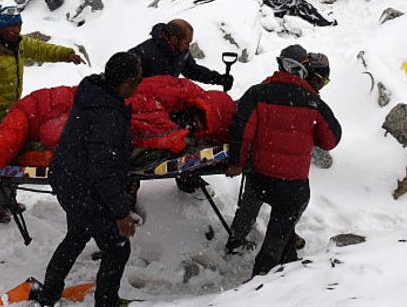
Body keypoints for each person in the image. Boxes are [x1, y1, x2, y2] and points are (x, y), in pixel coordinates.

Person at [35, 53, 144, 307]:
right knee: (117, 247)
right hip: (84, 187)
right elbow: (102, 168)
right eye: (137, 81)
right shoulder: (107, 113)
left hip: (69, 180)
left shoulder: (96, 95)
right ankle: (106, 303)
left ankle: (49, 295)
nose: (139, 86)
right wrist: (120, 213)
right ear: (126, 83)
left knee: (76, 235)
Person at [225, 46, 341, 277]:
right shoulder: (312, 102)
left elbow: (241, 130)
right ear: (299, 69)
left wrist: (237, 162)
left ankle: (237, 239)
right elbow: (331, 139)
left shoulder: (258, 93)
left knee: (250, 202)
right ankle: (264, 275)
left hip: (259, 175)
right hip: (292, 183)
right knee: (280, 228)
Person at [0, 8, 84, 221]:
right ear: (0, 28)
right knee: (2, 160)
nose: (17, 31)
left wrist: (66, 54)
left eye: (19, 26)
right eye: (12, 28)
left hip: (12, 114)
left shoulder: (16, 44)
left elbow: (40, 49)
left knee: (13, 159)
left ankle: (3, 198)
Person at [128, 19, 231, 90]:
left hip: (167, 99)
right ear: (174, 39)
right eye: (186, 42)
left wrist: (218, 79)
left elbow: (193, 70)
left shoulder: (181, 51)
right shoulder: (143, 53)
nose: (188, 47)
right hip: (145, 105)